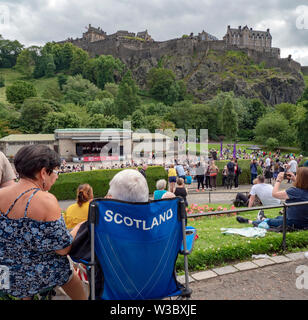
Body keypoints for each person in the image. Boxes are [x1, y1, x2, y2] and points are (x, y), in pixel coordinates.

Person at [0, 145, 86, 300]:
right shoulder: (46, 200)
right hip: (37, 276)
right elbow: (63, 249)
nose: (57, 176)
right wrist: (78, 228)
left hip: (5, 275)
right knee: (69, 273)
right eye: (56, 171)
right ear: (43, 173)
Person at [237, 168, 308, 230]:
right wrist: (294, 179)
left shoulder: (293, 191)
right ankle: (262, 218)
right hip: (304, 222)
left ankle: (251, 222)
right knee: (278, 217)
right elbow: (302, 187)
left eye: (297, 175)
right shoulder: (303, 191)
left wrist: (278, 180)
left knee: (270, 222)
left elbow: (274, 194)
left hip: (294, 222)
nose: (296, 176)